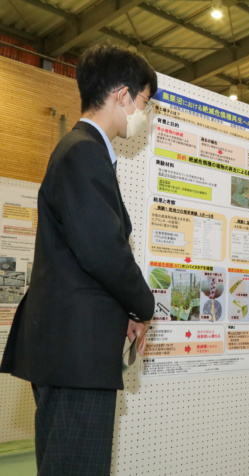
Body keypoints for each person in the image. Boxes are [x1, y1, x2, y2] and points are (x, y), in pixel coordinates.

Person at [0, 44, 157, 475]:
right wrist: (144, 305)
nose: (145, 114)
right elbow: (103, 250)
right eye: (145, 102)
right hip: (76, 356)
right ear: (122, 96)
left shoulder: (81, 151)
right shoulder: (84, 151)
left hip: (73, 349)